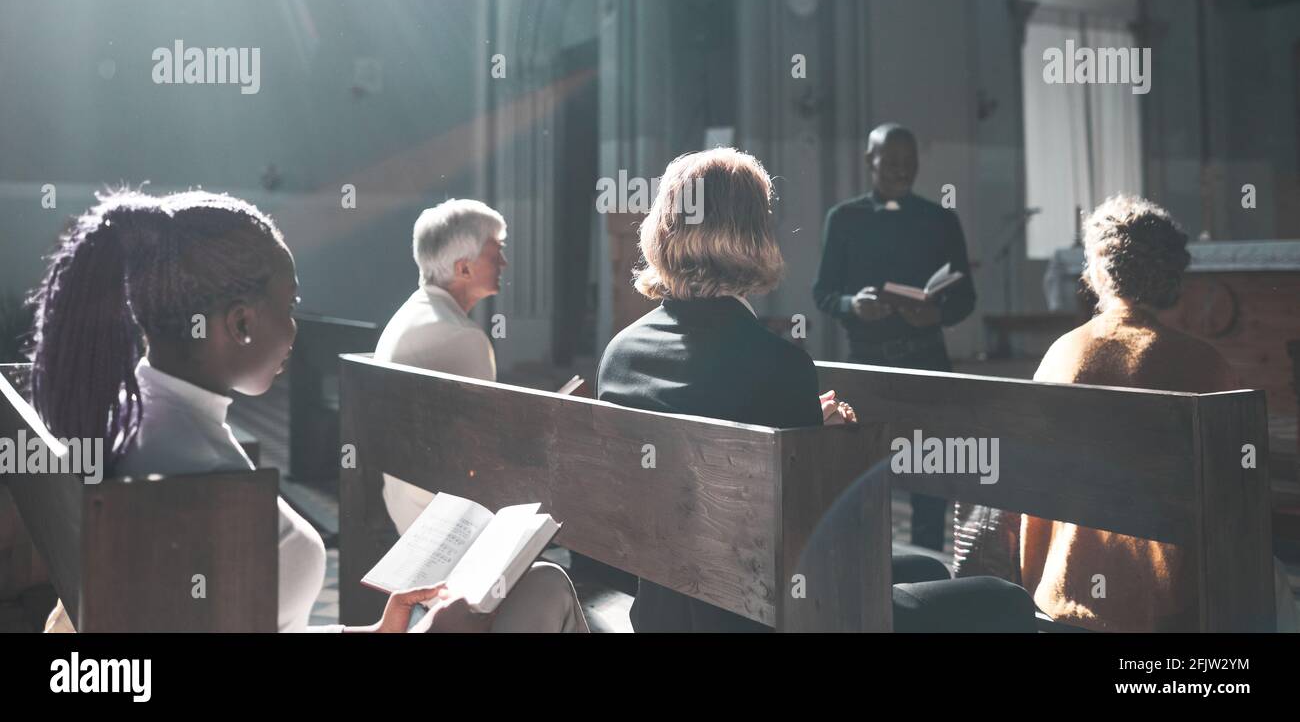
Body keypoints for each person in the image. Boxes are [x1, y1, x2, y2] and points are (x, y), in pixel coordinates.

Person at [31, 188, 585, 633]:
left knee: (541, 584)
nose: (294, 329)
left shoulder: (139, 416)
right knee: (548, 586)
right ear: (242, 323)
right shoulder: (204, 488)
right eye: (289, 306)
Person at [597, 149, 856, 632]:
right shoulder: (781, 366)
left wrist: (800, 425)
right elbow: (809, 538)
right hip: (762, 615)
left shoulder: (620, 356)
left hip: (656, 612)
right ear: (754, 234)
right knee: (990, 597)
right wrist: (827, 447)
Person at [1019, 194, 1245, 631]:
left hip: (1062, 592)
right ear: (1172, 274)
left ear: (1099, 271)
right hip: (1168, 603)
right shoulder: (1201, 363)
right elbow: (1231, 491)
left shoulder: (1062, 354)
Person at [813, 123, 976, 551]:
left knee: (930, 479)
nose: (902, 170)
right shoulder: (844, 219)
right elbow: (823, 293)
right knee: (866, 476)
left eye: (910, 162)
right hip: (869, 366)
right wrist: (853, 305)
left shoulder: (940, 220)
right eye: (892, 161)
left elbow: (966, 299)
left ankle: (926, 577)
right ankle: (867, 570)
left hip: (927, 364)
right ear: (871, 160)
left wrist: (936, 314)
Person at [376, 199, 508, 535]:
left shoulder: (409, 314)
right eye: (496, 253)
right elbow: (485, 453)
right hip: (443, 526)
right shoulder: (462, 337)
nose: (504, 262)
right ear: (464, 269)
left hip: (403, 504)